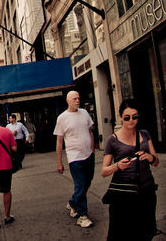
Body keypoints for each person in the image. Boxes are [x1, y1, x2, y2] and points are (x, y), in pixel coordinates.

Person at [101, 99, 159, 240]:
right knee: (124, 234)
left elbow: (156, 161)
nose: (131, 121)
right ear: (120, 117)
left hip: (146, 190)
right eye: (127, 117)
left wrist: (149, 157)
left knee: (146, 233)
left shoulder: (144, 134)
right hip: (124, 194)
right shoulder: (112, 140)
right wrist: (117, 166)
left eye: (135, 117)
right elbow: (104, 171)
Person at [54, 90, 96, 228]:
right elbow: (59, 141)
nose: (77, 101)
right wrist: (59, 162)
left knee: (87, 182)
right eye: (74, 99)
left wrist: (93, 149)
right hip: (74, 157)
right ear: (68, 101)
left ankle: (73, 203)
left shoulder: (84, 113)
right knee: (80, 185)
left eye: (78, 98)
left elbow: (90, 131)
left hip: (88, 155)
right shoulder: (62, 118)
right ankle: (82, 215)